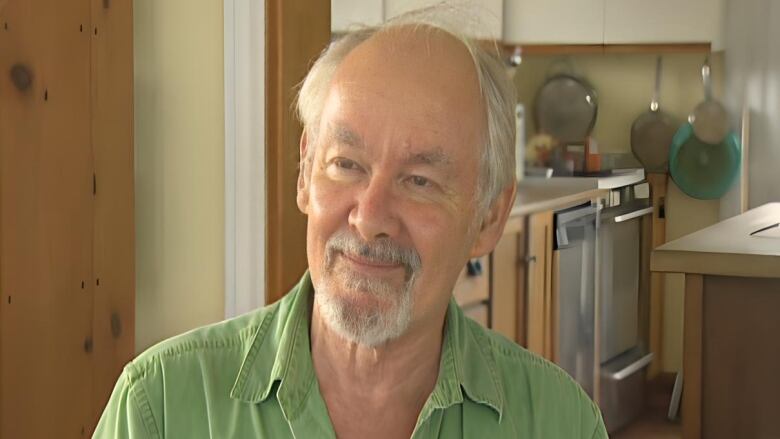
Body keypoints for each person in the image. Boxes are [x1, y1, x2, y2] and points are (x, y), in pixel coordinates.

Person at [94, 7, 607, 439]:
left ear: (489, 217)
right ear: (304, 174)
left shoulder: (560, 423)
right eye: (347, 164)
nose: (369, 218)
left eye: (420, 181)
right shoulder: (158, 408)